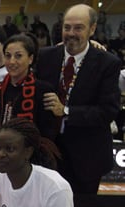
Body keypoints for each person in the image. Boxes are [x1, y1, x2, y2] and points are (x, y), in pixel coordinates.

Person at [36, 3, 121, 194]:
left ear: (92, 29)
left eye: (78, 27)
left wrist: (66, 111)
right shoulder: (46, 56)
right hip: (48, 155)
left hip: (88, 158)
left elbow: (107, 111)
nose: (71, 33)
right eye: (67, 27)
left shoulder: (107, 63)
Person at [0, 33, 58, 185]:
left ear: (30, 59)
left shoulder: (43, 90)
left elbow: (48, 135)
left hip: (29, 166)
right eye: (8, 56)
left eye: (18, 56)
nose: (12, 61)